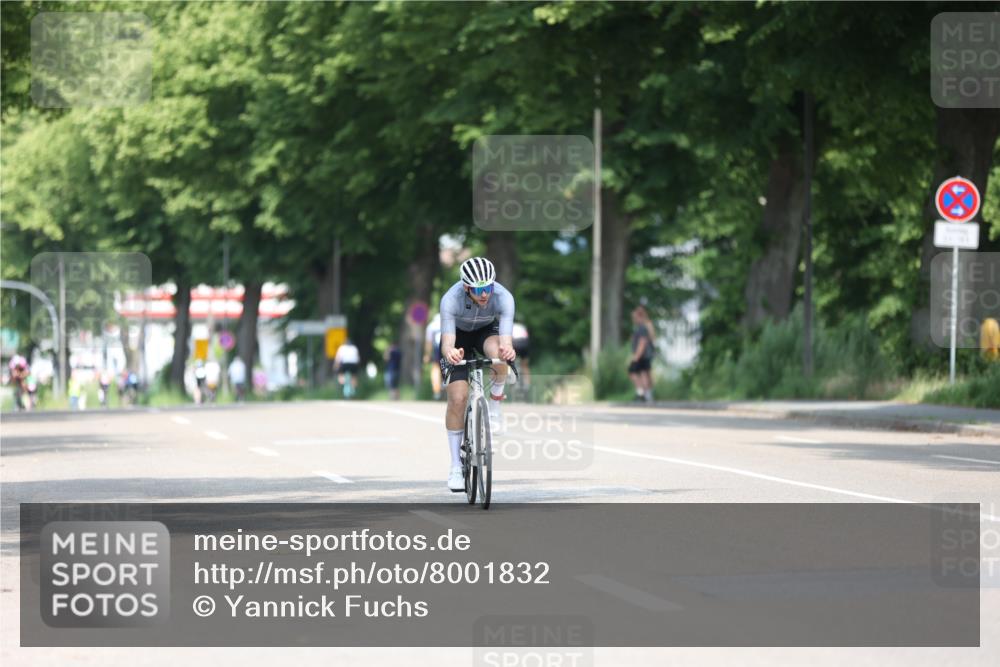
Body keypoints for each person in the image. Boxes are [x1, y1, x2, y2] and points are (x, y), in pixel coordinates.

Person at [439, 256, 516, 492]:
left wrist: (508, 350)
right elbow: (447, 342)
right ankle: (454, 466)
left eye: (488, 287)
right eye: (479, 289)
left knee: (500, 355)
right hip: (457, 337)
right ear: (466, 287)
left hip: (485, 331)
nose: (485, 294)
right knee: (458, 398)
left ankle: (494, 409)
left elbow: (505, 339)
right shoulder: (450, 300)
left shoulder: (504, 297)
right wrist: (451, 354)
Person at [628, 306, 655, 403]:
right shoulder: (642, 327)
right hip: (644, 355)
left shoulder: (643, 327)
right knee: (644, 373)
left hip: (642, 355)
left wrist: (636, 356)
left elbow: (642, 343)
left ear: (639, 317)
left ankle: (643, 394)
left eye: (634, 318)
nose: (633, 320)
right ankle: (645, 394)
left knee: (636, 372)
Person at [423, 312, 443, 400]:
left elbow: (429, 342)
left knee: (436, 368)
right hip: (448, 345)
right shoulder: (448, 322)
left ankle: (437, 390)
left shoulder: (431, 326)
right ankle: (445, 385)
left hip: (437, 348)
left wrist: (427, 355)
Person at [512, 321, 531, 391]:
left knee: (508, 361)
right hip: (524, 344)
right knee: (525, 365)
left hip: (514, 343)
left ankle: (511, 378)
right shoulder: (522, 326)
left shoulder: (508, 326)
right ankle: (527, 384)